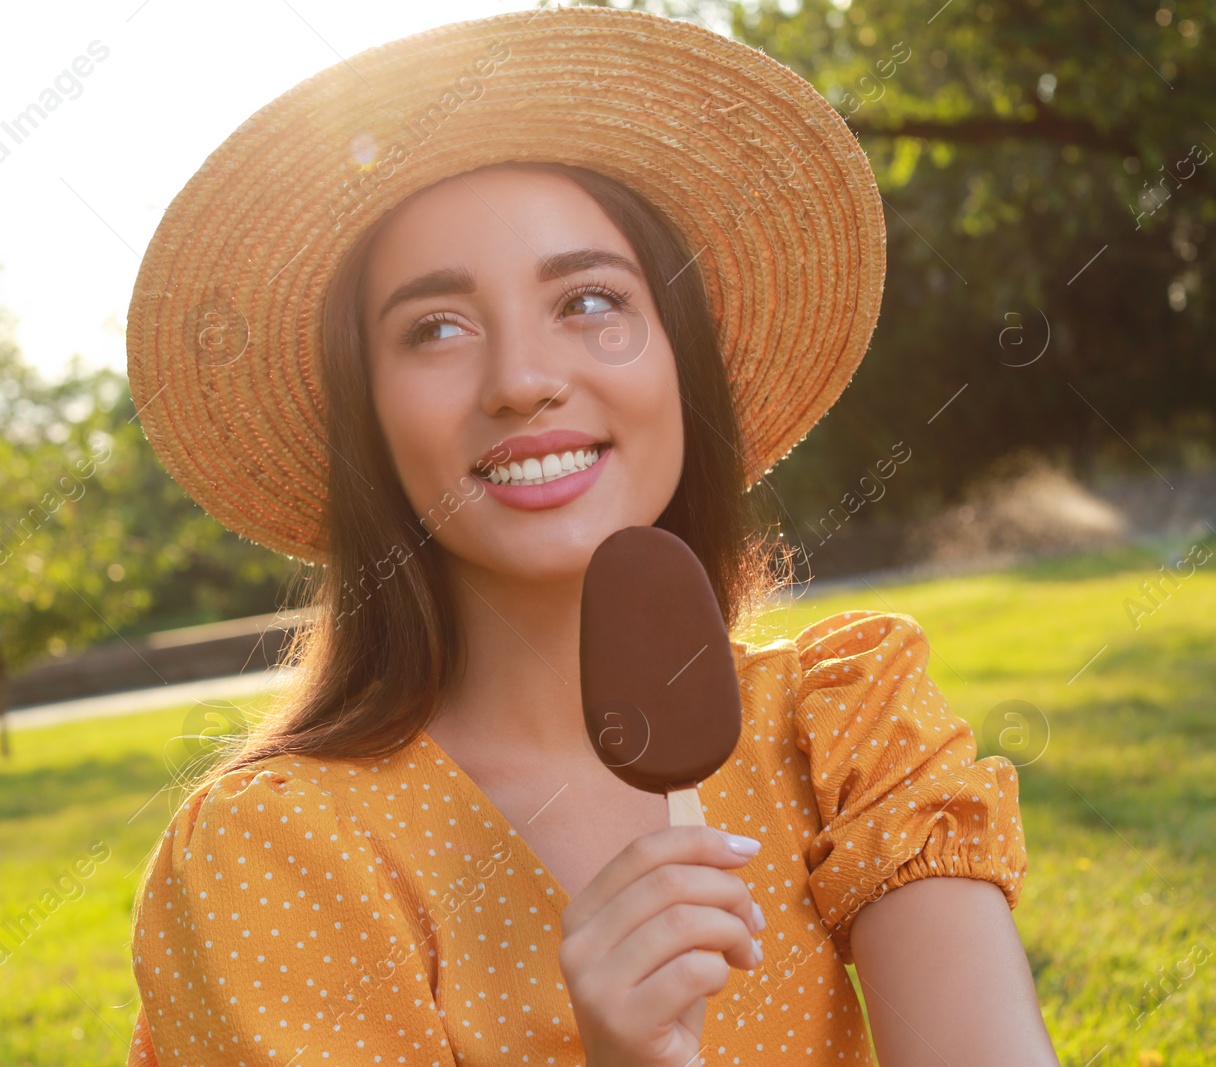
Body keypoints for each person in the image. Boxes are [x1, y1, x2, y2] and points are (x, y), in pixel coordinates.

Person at [122, 8, 1058, 1065]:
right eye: (434, 327)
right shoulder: (274, 853)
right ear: (368, 420)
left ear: (678, 360)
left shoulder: (846, 727)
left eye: (589, 299)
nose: (523, 377)